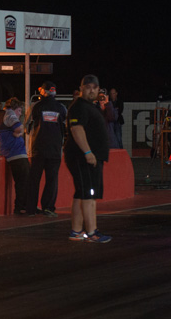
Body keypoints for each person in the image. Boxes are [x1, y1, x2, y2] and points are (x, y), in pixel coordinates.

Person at [64, 75, 112, 243]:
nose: (91, 90)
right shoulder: (79, 106)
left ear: (98, 89)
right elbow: (77, 129)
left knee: (81, 193)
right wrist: (87, 152)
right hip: (83, 158)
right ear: (81, 89)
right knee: (89, 195)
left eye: (94, 87)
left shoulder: (90, 107)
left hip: (88, 157)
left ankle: (76, 231)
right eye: (88, 87)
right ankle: (92, 233)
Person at [24, 81, 68, 217]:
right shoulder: (62, 108)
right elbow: (66, 128)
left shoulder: (35, 106)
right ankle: (48, 207)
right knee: (52, 180)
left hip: (38, 148)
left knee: (34, 179)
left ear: (43, 91)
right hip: (55, 150)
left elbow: (27, 126)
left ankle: (31, 208)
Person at [0, 97, 29, 215]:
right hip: (16, 153)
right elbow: (19, 127)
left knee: (22, 181)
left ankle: (23, 205)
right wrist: (18, 132)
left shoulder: (0, 115)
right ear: (14, 108)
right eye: (19, 111)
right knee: (24, 181)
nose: (20, 114)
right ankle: (21, 207)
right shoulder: (9, 114)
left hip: (10, 152)